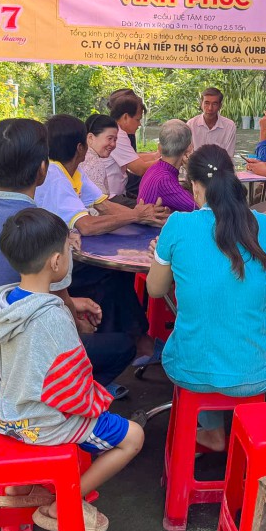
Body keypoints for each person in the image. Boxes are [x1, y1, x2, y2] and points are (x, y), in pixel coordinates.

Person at [0, 207, 144, 531]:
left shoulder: (5, 305)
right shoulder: (53, 317)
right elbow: (71, 388)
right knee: (133, 438)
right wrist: (98, 402)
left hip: (10, 415)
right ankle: (66, 501)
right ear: (56, 262)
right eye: (69, 249)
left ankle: (19, 488)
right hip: (46, 424)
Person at [0, 118, 134, 393]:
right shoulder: (43, 227)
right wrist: (78, 320)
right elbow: (63, 312)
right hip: (9, 363)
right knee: (123, 346)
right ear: (42, 169)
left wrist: (73, 303)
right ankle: (71, 405)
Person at [147, 145, 266, 451]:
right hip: (254, 368)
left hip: (189, 367)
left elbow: (155, 289)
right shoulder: (262, 225)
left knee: (206, 337)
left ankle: (212, 431)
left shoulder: (178, 225)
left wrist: (162, 256)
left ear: (195, 185)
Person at [36, 115, 168, 359]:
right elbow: (86, 226)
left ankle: (129, 341)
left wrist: (143, 216)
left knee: (117, 274)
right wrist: (136, 215)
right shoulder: (55, 176)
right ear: (81, 147)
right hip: (50, 265)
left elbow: (104, 205)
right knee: (111, 274)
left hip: (63, 253)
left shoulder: (73, 171)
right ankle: (131, 343)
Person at [137, 119, 196, 213]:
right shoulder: (165, 181)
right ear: (189, 148)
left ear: (159, 147)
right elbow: (201, 209)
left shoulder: (154, 168)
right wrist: (191, 171)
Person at [110, 95, 158, 197]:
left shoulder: (115, 130)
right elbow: (140, 169)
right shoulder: (117, 135)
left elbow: (132, 157)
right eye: (137, 119)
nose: (139, 124)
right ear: (125, 117)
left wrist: (155, 155)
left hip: (117, 193)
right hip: (111, 197)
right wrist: (168, 159)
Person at [80, 114, 123, 199]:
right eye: (109, 138)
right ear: (90, 138)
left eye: (115, 140)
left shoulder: (80, 156)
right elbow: (100, 204)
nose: (113, 144)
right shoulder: (94, 163)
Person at [186, 87, 236, 158]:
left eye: (214, 104)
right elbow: (187, 154)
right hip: (195, 164)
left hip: (221, 164)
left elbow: (229, 156)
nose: (210, 108)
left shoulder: (229, 126)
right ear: (201, 104)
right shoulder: (191, 125)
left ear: (220, 106)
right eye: (206, 103)